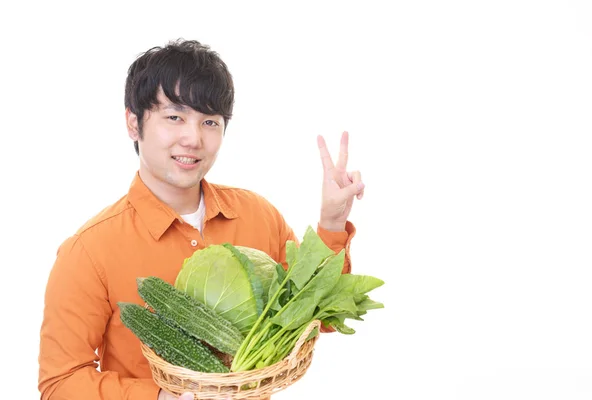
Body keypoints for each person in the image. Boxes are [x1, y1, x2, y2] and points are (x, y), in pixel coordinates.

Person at [37, 39, 365, 400]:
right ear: (134, 122)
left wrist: (331, 223)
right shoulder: (88, 251)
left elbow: (316, 318)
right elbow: (60, 383)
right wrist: (161, 397)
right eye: (174, 116)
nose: (193, 138)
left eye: (209, 121)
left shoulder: (259, 215)